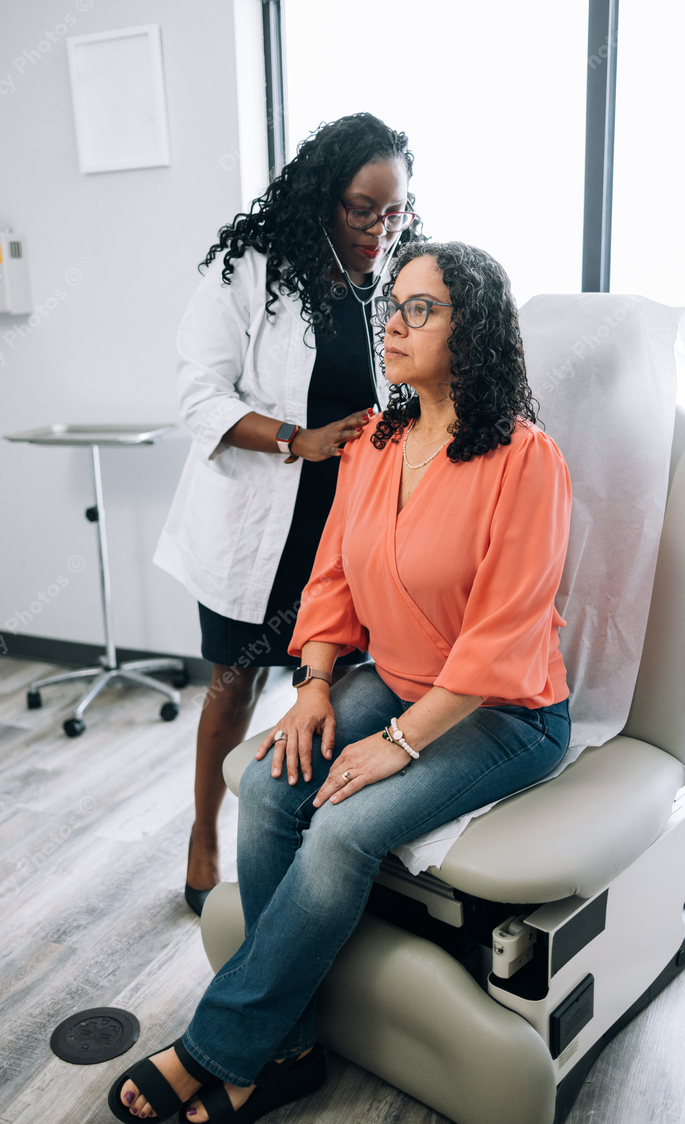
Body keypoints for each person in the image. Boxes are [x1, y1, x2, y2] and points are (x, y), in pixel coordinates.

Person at [111, 241, 572, 1122]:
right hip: (390, 676)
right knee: (274, 783)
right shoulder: (376, 439)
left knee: (342, 829)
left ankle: (216, 1047)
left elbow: (502, 637)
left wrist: (397, 744)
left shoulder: (526, 460)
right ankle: (288, 1051)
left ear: (471, 329)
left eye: (421, 308)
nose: (392, 324)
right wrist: (314, 682)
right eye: (391, 305)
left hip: (505, 712)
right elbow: (331, 577)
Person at [154, 114, 422, 914]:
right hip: (260, 518)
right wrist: (294, 440)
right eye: (361, 209)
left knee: (332, 688)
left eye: (394, 211)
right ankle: (205, 835)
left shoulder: (393, 278)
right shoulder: (252, 269)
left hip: (351, 522)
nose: (380, 228)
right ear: (322, 199)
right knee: (233, 684)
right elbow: (197, 393)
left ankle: (296, 846)